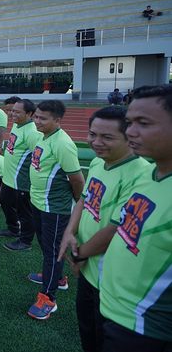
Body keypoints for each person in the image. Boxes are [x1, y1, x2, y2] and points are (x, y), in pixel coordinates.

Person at [56, 106, 151, 352]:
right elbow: (85, 199)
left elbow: (116, 229)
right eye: (92, 134)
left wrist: (80, 254)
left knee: (104, 337)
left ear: (129, 136)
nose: (96, 142)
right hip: (87, 271)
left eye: (107, 137)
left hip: (110, 278)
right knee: (87, 331)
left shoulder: (141, 175)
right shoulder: (99, 162)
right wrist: (69, 232)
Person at [97, 85, 172, 351]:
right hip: (114, 309)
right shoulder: (150, 176)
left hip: (145, 330)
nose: (130, 132)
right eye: (129, 122)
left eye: (143, 123)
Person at [26, 100, 85, 320]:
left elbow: (77, 179)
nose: (37, 121)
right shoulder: (44, 137)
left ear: (57, 120)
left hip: (55, 208)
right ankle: (57, 278)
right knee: (46, 246)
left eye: (43, 118)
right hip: (39, 203)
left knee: (52, 252)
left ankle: (48, 298)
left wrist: (78, 202)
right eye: (36, 116)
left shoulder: (63, 143)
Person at [0, 99, 42, 251]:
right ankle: (13, 228)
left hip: (21, 180)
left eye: (17, 112)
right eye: (12, 111)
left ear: (29, 114)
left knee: (25, 212)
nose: (12, 114)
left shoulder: (32, 132)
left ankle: (25, 241)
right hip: (9, 177)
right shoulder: (18, 125)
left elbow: (38, 157)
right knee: (4, 200)